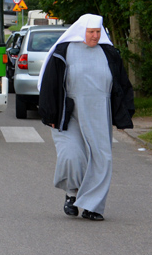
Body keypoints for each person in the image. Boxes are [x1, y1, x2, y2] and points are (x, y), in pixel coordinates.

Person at [37, 14, 134, 222]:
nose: (95, 36)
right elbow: (50, 84)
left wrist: (125, 113)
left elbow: (121, 85)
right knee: (72, 155)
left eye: (98, 32)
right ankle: (72, 194)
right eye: (91, 32)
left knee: (101, 159)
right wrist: (50, 113)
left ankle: (94, 206)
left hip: (100, 111)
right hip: (69, 112)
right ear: (81, 31)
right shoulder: (63, 52)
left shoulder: (109, 54)